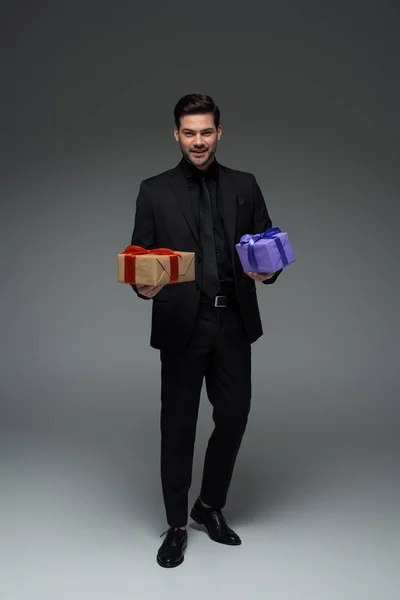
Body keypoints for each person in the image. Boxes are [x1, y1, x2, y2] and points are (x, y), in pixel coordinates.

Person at [129, 94, 282, 568]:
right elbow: (140, 256)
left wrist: (269, 270)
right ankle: (176, 525)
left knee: (234, 416)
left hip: (233, 320)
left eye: (206, 131)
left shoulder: (244, 185)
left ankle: (208, 506)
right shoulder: (154, 190)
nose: (199, 141)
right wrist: (143, 288)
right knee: (177, 427)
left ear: (219, 133)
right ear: (177, 135)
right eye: (189, 132)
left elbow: (267, 240)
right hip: (181, 325)